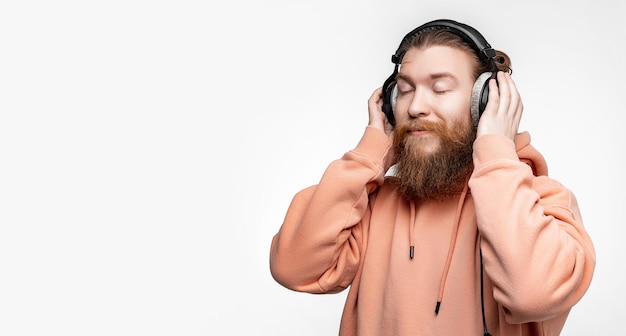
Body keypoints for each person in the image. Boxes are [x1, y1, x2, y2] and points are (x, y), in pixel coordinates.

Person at [269, 18, 595, 336]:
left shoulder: (543, 203)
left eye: (440, 89)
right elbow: (293, 268)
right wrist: (369, 155)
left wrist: (497, 153)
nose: (416, 107)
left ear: (484, 102)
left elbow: (534, 294)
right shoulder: (370, 205)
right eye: (406, 90)